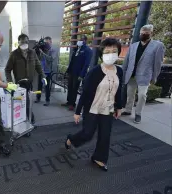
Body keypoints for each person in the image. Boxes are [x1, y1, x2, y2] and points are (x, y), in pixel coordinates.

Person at [65, 38, 123, 171]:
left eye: (114, 51)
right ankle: (71, 140)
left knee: (105, 135)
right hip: (92, 108)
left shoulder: (119, 71)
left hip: (108, 108)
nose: (111, 54)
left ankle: (99, 158)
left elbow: (119, 90)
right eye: (107, 51)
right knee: (88, 134)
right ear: (102, 53)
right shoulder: (95, 71)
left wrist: (119, 106)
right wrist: (77, 112)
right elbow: (85, 94)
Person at [122, 24, 165, 124]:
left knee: (142, 95)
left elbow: (158, 63)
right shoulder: (133, 46)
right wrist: (124, 73)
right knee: (130, 94)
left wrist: (154, 77)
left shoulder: (158, 46)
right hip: (131, 74)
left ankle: (138, 114)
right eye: (142, 33)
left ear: (151, 33)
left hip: (145, 75)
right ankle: (128, 110)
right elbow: (126, 61)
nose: (143, 35)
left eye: (146, 33)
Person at [5, 33, 47, 123]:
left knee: (26, 102)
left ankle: (26, 119)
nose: (25, 44)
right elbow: (7, 70)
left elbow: (38, 66)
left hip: (29, 83)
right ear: (19, 43)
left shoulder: (32, 52)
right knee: (26, 102)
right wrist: (10, 83)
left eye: (26, 42)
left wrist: (43, 76)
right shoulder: (14, 54)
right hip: (20, 84)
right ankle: (30, 120)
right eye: (23, 42)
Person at [62, 35, 93, 111]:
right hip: (72, 72)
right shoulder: (76, 49)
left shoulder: (88, 50)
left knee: (74, 88)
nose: (80, 41)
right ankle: (69, 101)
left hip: (78, 73)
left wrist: (82, 75)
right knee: (69, 87)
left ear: (85, 41)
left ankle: (72, 104)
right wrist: (67, 71)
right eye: (80, 39)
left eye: (82, 40)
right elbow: (72, 61)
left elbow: (86, 64)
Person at [35, 36, 56, 106]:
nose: (46, 43)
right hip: (41, 71)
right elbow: (39, 58)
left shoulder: (53, 50)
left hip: (47, 71)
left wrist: (43, 53)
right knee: (39, 86)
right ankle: (38, 98)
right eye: (45, 42)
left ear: (51, 42)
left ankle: (47, 100)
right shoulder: (43, 49)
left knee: (46, 87)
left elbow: (51, 59)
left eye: (47, 42)